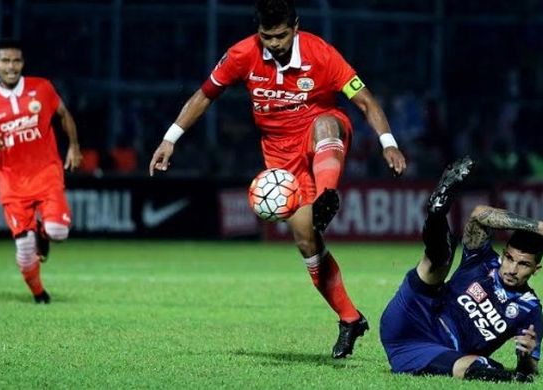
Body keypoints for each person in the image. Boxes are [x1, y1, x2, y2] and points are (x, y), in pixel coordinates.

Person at [148, 0, 406, 358]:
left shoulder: (321, 53)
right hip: (281, 161)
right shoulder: (242, 54)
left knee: (325, 122)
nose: (274, 44)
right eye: (267, 37)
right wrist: (169, 139)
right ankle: (350, 319)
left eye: (281, 36)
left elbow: (364, 101)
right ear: (259, 33)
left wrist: (388, 144)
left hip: (320, 136)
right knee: (307, 244)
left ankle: (327, 196)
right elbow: (205, 95)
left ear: (295, 27)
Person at [380, 157, 543, 382]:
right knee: (440, 259)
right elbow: (479, 215)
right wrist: (541, 227)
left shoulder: (530, 308)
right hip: (411, 316)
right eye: (508, 258)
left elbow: (530, 369)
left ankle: (437, 216)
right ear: (503, 252)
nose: (512, 268)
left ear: (537, 269)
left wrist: (526, 357)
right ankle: (437, 212)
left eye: (523, 264)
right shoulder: (482, 260)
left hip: (434, 352)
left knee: (482, 367)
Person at [0, 39, 82, 304]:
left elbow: (63, 114)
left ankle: (43, 233)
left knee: (58, 232)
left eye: (16, 61)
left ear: (22, 63)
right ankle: (40, 295)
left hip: (46, 172)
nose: (12, 66)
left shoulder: (41, 87)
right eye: (5, 61)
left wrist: (74, 146)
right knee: (24, 248)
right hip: (12, 182)